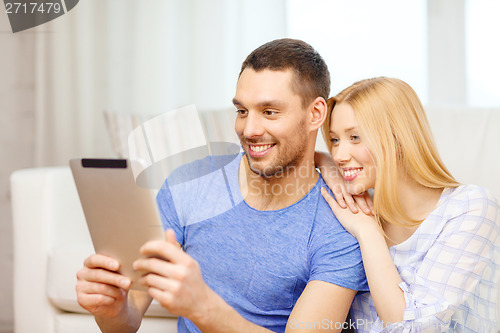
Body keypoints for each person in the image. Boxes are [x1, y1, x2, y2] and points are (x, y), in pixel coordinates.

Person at [76, 38, 370, 333]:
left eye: (269, 112)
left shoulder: (340, 221)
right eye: (242, 111)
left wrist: (203, 307)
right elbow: (125, 322)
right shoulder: (189, 183)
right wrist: (111, 310)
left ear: (315, 114)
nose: (249, 130)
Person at [320, 77, 500, 332]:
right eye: (335, 140)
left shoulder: (471, 207)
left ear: (398, 137)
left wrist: (368, 232)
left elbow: (410, 328)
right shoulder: (354, 205)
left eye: (355, 137)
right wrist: (323, 162)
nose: (339, 155)